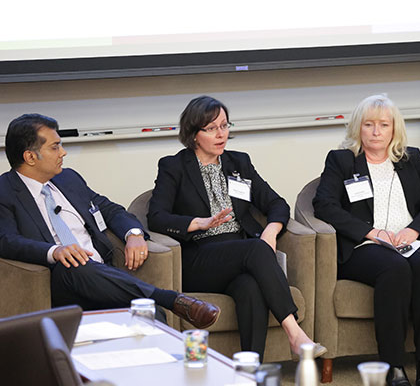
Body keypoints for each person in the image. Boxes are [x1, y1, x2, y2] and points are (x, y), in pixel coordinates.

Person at [0, 114, 220, 329]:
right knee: (75, 266)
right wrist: (55, 251)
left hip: (102, 275)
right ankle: (170, 299)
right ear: (30, 157)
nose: (63, 152)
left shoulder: (68, 179)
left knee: (148, 311)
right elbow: (7, 241)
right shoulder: (5, 191)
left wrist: (133, 233)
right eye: (55, 147)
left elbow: (109, 209)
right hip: (62, 280)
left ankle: (165, 356)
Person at [147, 95, 325, 359]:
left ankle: (252, 373)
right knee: (255, 250)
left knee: (250, 287)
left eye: (224, 126)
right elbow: (156, 217)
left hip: (242, 256)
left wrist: (270, 231)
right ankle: (294, 332)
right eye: (211, 128)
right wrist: (199, 223)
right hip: (200, 256)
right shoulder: (174, 166)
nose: (221, 134)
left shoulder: (239, 163)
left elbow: (277, 203)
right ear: (194, 134)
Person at [313, 94, 420, 386]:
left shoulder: (410, 158)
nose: (376, 132)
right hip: (365, 246)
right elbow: (323, 204)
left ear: (394, 129)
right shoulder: (342, 160)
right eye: (369, 125)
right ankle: (394, 364)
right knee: (395, 269)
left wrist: (415, 230)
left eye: (383, 125)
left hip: (408, 239)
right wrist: (370, 232)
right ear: (358, 128)